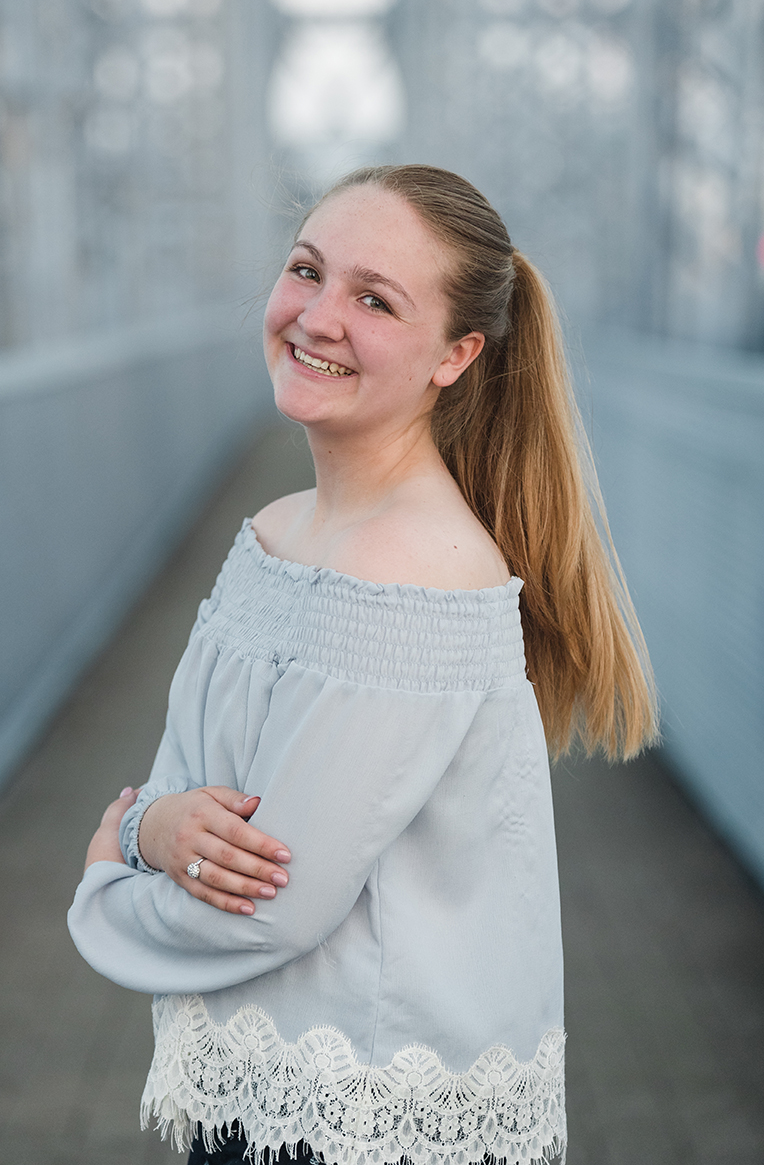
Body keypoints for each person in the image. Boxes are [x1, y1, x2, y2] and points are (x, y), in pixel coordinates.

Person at [67, 165, 657, 1165]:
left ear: (456, 355)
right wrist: (154, 828)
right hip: (270, 1094)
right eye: (307, 271)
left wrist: (110, 880)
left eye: (375, 300)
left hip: (366, 1118)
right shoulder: (274, 531)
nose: (318, 317)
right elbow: (182, 792)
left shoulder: (411, 570)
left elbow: (273, 902)